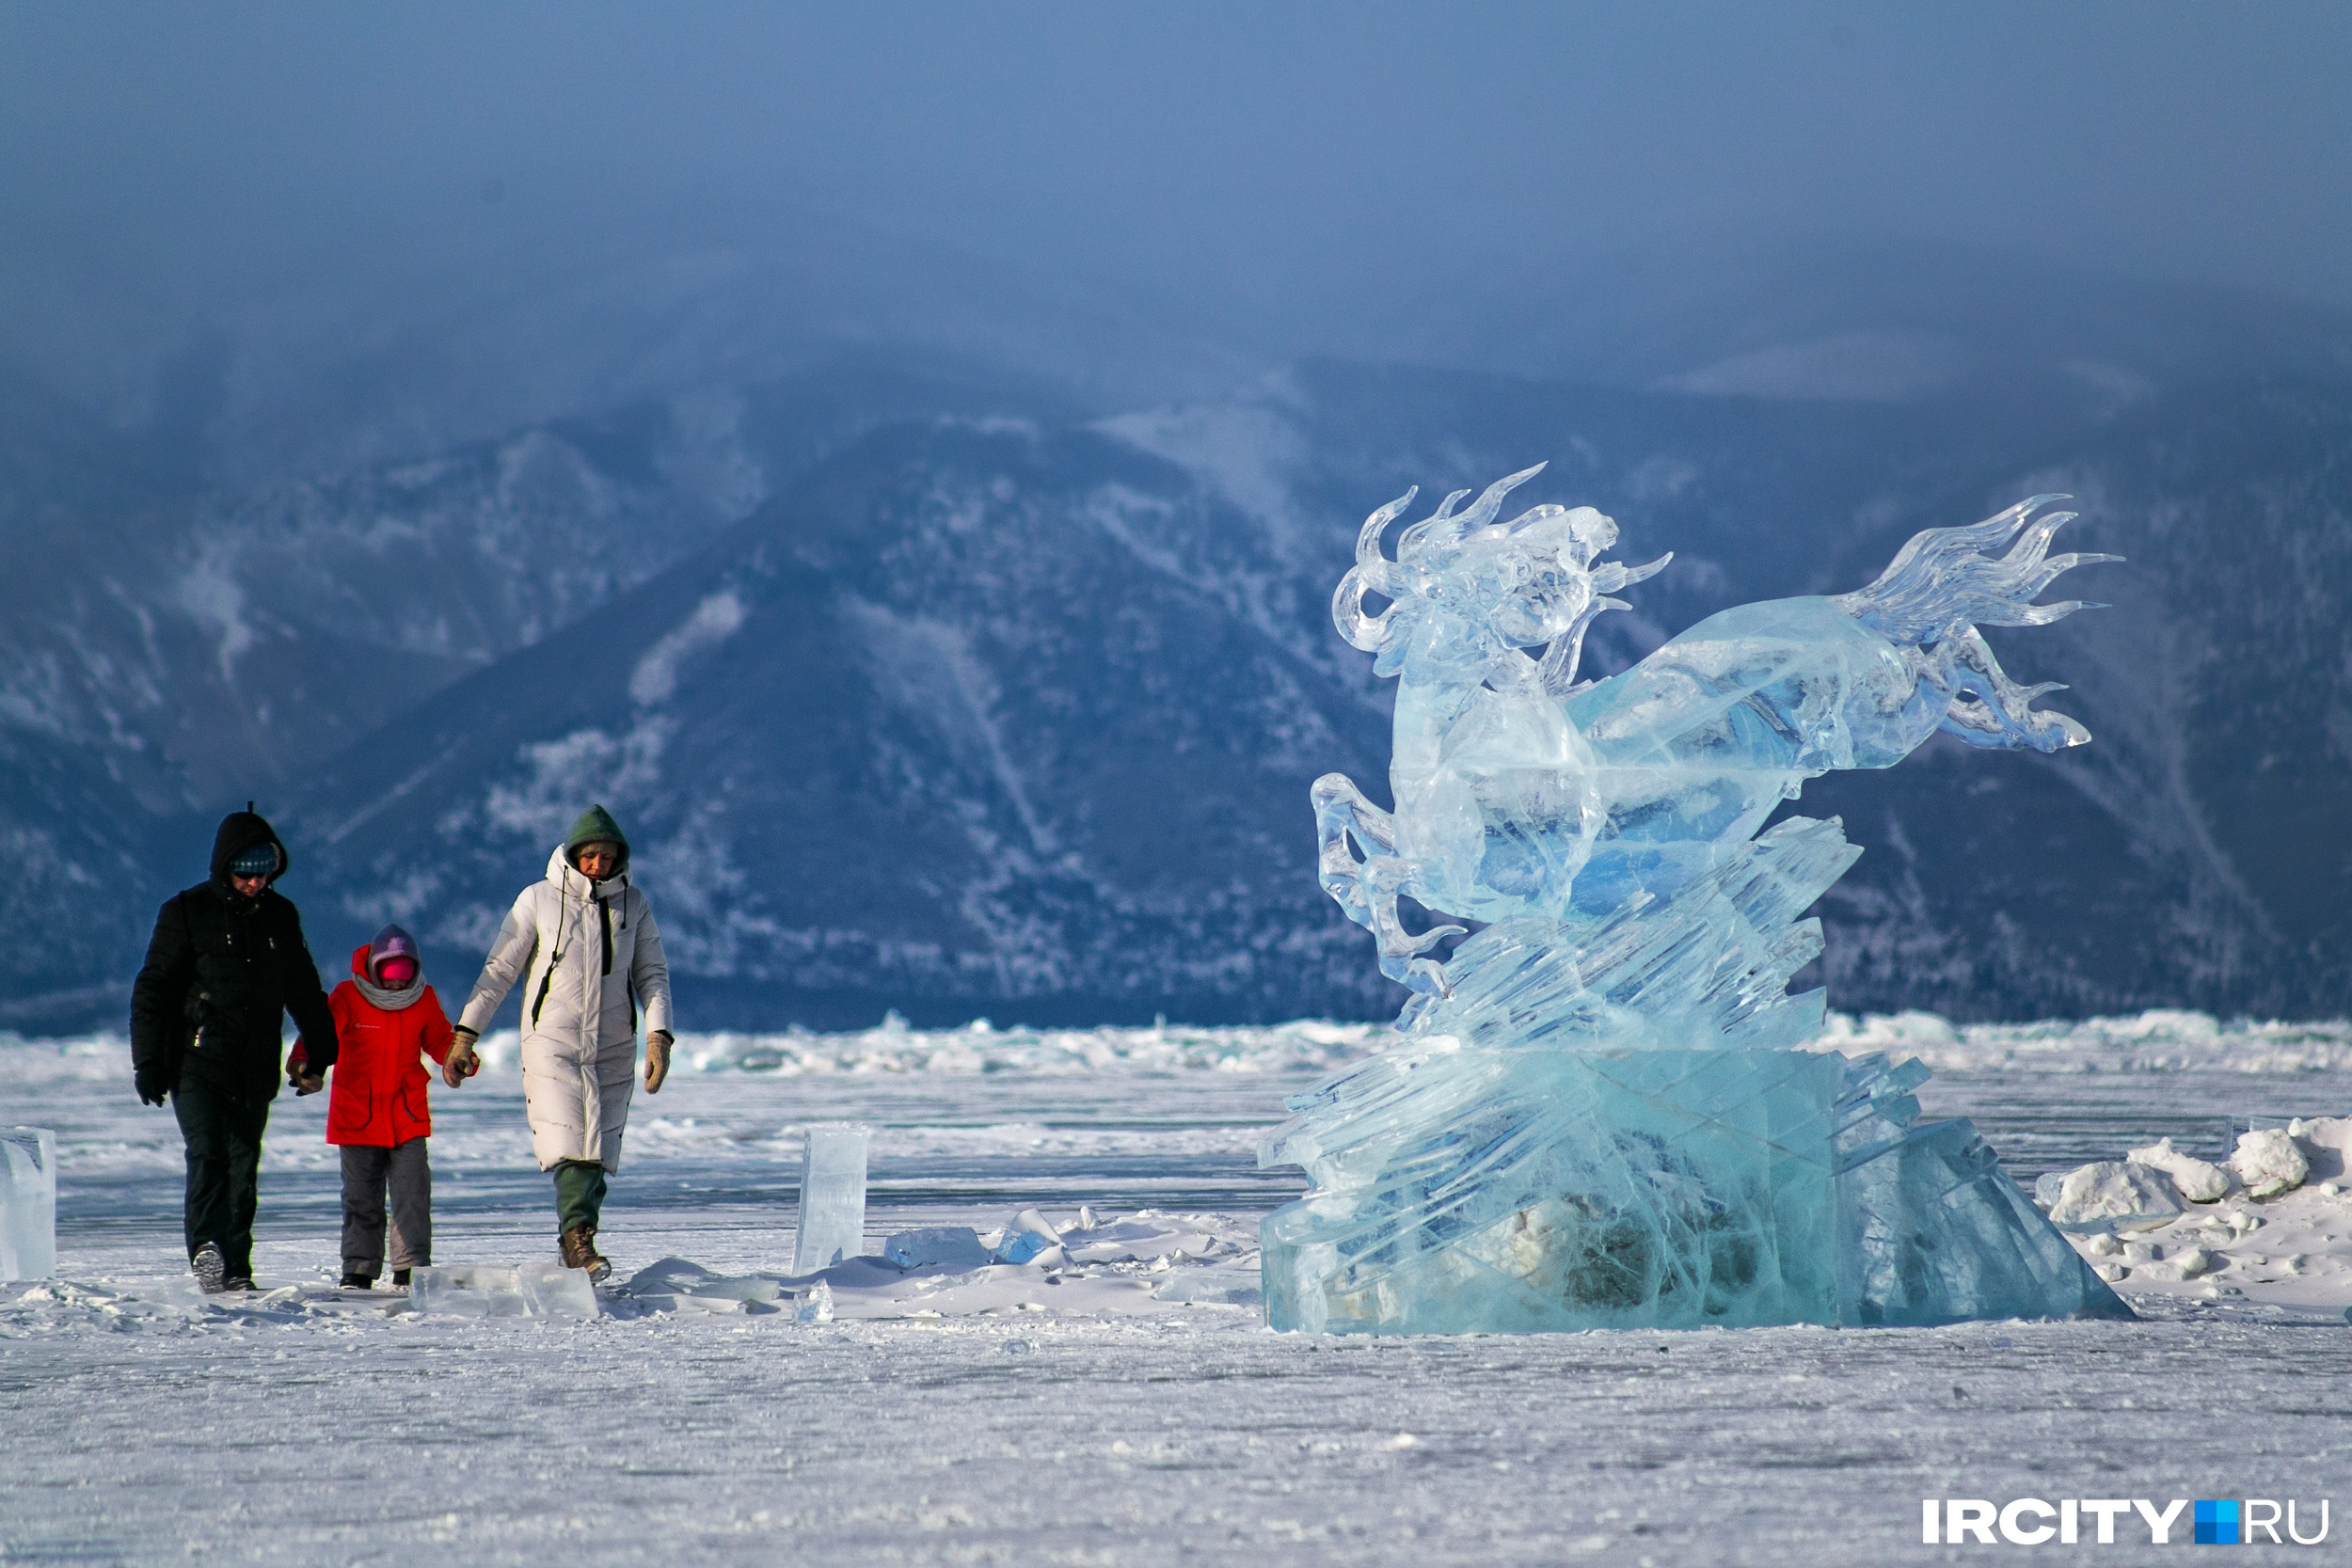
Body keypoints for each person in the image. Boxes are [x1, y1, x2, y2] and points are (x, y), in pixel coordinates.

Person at [444, 804, 672, 1282]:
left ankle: (580, 1238)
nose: (598, 865)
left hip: (612, 1042)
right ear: (574, 854)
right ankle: (578, 1238)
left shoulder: (634, 904)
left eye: (607, 858)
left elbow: (651, 974)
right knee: (571, 1139)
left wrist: (658, 1037)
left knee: (599, 1145)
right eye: (589, 856)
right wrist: (465, 1035)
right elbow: (500, 969)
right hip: (552, 1036)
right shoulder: (538, 900)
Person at [129, 805, 339, 1293]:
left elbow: (304, 991)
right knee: (208, 1157)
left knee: (243, 1167)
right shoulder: (184, 912)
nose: (255, 884)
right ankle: (208, 1252)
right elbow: (153, 990)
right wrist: (148, 1061)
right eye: (246, 875)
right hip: (195, 1062)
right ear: (225, 868)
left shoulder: (280, 917)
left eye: (264, 874)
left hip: (254, 1064)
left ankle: (237, 1267)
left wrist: (319, 1053)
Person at [288, 924, 459, 1290]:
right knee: (361, 1196)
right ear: (375, 969)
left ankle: (410, 1266)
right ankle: (359, 1267)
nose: (398, 984)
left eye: (405, 974)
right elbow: (320, 1035)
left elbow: (441, 1039)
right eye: (390, 974)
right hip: (357, 1113)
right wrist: (306, 1063)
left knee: (412, 1192)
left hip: (405, 1113)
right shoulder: (348, 996)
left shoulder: (423, 998)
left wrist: (458, 1058)